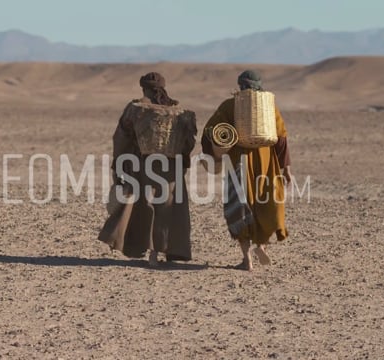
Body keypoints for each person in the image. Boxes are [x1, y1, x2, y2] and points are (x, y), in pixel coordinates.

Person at [98, 72, 197, 267]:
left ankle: (150, 253)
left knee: (146, 207)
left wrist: (120, 162)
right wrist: (182, 161)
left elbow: (122, 137)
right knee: (169, 209)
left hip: (144, 164)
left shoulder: (135, 109)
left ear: (143, 88)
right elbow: (189, 142)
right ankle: (165, 250)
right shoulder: (178, 112)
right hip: (171, 167)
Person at [202, 70, 293, 270]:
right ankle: (261, 245)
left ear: (240, 85)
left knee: (241, 206)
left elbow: (210, 132)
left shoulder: (229, 105)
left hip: (238, 163)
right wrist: (286, 169)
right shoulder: (269, 107)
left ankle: (247, 260)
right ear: (260, 85)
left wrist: (214, 152)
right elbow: (282, 140)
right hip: (266, 163)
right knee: (265, 203)